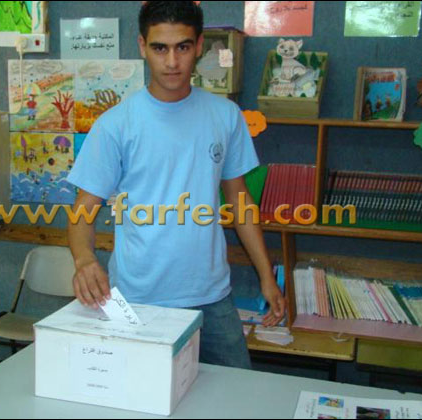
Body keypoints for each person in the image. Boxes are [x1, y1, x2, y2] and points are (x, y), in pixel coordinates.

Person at [67, 1, 285, 369]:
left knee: (234, 388)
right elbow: (81, 211)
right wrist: (85, 260)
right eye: (160, 48)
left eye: (182, 47)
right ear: (142, 46)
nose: (171, 62)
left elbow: (240, 202)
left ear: (199, 46)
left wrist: (267, 276)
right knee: (138, 392)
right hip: (138, 298)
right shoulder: (116, 125)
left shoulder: (225, 116)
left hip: (211, 297)